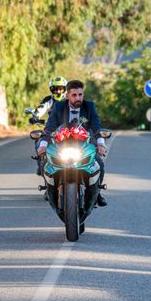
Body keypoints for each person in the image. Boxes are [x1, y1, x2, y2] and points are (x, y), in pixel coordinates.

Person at [37, 79, 108, 207]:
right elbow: (49, 128)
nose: (78, 98)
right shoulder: (58, 107)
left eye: (80, 94)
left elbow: (97, 127)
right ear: (68, 95)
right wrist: (43, 146)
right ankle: (49, 188)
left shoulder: (89, 106)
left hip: (84, 144)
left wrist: (101, 144)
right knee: (44, 162)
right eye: (74, 95)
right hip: (61, 144)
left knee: (99, 162)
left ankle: (97, 192)